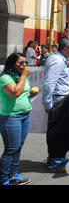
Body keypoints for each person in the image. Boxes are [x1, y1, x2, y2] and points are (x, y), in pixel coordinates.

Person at [0, 53, 38, 185]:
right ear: (12, 64)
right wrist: (24, 75)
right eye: (20, 63)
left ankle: (13, 174)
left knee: (18, 147)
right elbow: (15, 93)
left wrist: (30, 94)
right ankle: (3, 178)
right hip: (11, 116)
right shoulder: (5, 78)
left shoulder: (20, 77)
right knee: (11, 148)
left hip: (25, 114)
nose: (24, 65)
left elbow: (22, 92)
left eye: (25, 63)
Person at [42, 38, 69, 172]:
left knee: (60, 131)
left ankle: (55, 159)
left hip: (60, 98)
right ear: (64, 49)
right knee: (58, 133)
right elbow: (50, 82)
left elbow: (59, 76)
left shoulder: (59, 60)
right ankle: (56, 161)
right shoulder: (57, 61)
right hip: (58, 99)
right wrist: (48, 103)